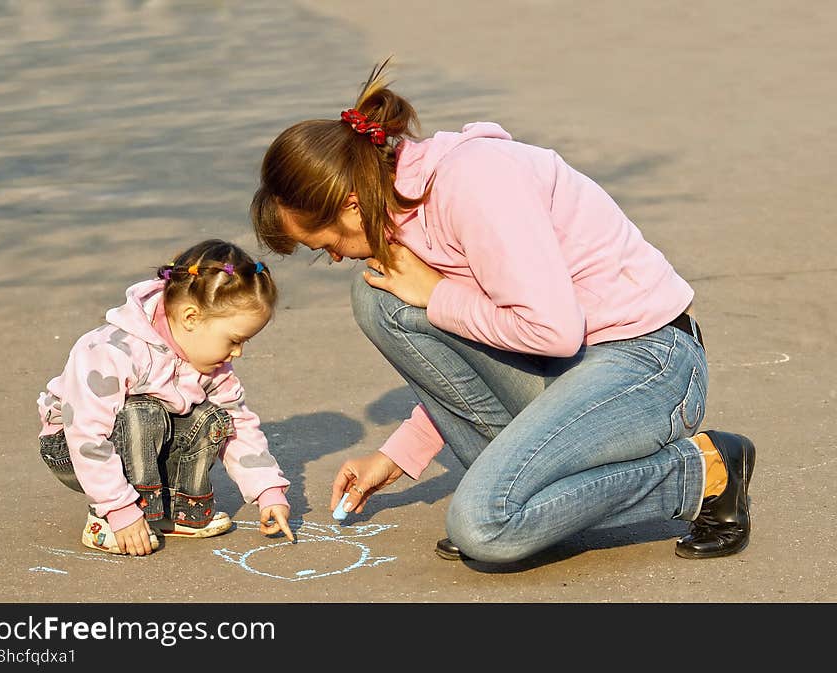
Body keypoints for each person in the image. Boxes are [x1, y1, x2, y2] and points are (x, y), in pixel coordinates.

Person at [250, 59, 755, 565]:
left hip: (648, 362)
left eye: (329, 242)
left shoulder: (473, 182)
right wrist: (397, 457)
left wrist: (437, 296)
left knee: (484, 526)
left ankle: (703, 473)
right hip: (569, 368)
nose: (337, 255)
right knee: (380, 298)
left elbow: (551, 332)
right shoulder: (404, 212)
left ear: (353, 203)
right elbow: (468, 364)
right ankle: (534, 502)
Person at [37, 239, 294, 556]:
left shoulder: (213, 366)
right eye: (234, 340)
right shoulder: (111, 351)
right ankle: (105, 520)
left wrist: (268, 490)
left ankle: (175, 509)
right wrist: (118, 509)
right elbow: (86, 436)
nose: (237, 353)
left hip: (138, 437)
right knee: (143, 413)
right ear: (191, 318)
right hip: (71, 447)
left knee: (214, 419)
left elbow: (239, 425)